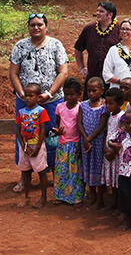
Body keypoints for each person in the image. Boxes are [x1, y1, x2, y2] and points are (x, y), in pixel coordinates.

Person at [9, 13, 68, 191]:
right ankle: (24, 177)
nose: (36, 28)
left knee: (52, 135)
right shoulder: (20, 46)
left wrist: (49, 94)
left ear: (46, 26)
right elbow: (13, 72)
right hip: (25, 103)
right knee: (25, 134)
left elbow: (63, 72)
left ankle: (54, 174)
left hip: (51, 101)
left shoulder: (56, 45)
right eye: (32, 25)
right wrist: (23, 95)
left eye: (39, 25)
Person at [15, 83, 51, 209]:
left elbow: (42, 130)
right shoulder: (21, 112)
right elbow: (18, 130)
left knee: (41, 171)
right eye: (26, 96)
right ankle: (26, 197)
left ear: (38, 97)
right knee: (25, 172)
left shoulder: (41, 111)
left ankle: (43, 197)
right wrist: (24, 146)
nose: (28, 98)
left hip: (37, 146)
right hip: (24, 146)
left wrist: (37, 148)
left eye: (31, 96)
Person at [74, 1, 120, 98]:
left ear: (110, 15)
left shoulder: (120, 30)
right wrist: (81, 68)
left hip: (112, 79)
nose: (97, 13)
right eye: (97, 10)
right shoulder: (89, 29)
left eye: (101, 11)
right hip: (92, 78)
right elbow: (78, 49)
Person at [53, 78, 85, 206]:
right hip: (62, 144)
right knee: (61, 170)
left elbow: (82, 126)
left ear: (79, 94)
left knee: (75, 172)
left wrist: (80, 146)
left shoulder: (81, 107)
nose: (68, 97)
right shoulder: (59, 107)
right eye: (66, 94)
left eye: (72, 94)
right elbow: (57, 123)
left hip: (75, 143)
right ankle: (60, 195)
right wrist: (57, 131)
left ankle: (76, 197)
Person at [78, 76, 108, 208]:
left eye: (94, 91)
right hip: (86, 142)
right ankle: (92, 197)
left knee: (98, 168)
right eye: (89, 91)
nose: (91, 93)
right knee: (87, 166)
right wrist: (85, 138)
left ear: (101, 90)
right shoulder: (83, 105)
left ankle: (100, 199)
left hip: (97, 143)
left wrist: (89, 139)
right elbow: (79, 123)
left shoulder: (104, 107)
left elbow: (101, 125)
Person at [101, 87, 125, 210]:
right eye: (106, 102)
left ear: (120, 104)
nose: (107, 106)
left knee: (117, 181)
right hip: (108, 152)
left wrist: (112, 152)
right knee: (111, 179)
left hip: (116, 154)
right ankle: (113, 202)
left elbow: (122, 137)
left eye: (111, 103)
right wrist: (105, 150)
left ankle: (118, 204)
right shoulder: (109, 116)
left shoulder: (122, 117)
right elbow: (106, 132)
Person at [102, 18, 131, 86]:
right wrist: (121, 82)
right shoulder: (113, 50)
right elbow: (106, 74)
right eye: (122, 29)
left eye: (127, 29)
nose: (124, 31)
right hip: (118, 90)